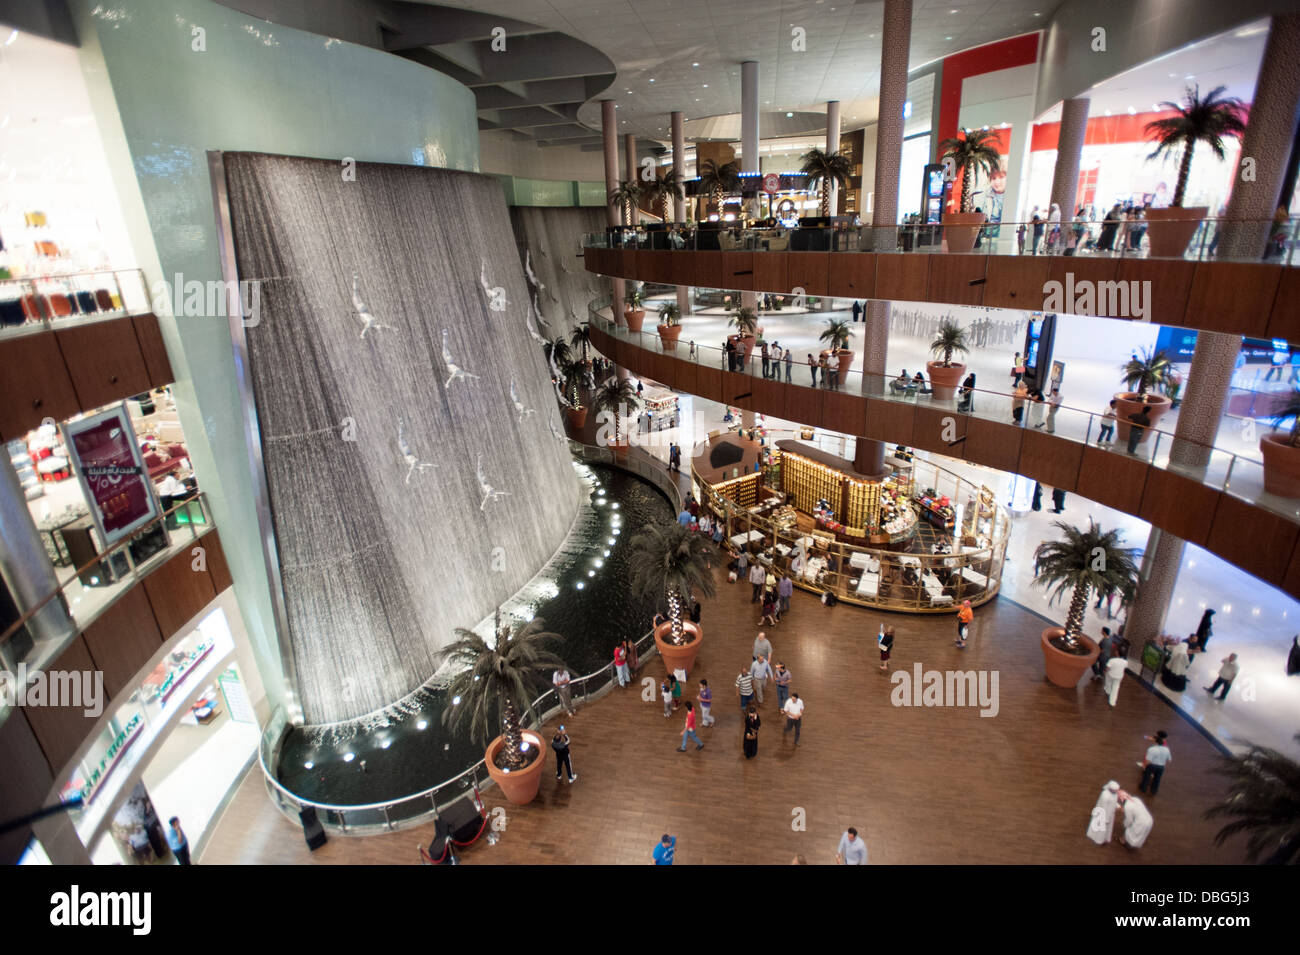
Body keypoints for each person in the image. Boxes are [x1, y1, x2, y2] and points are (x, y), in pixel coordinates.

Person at [1086, 782, 1120, 846]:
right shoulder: (1105, 795)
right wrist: (1106, 819)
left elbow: (1114, 801)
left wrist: (1117, 806)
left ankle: (1105, 838)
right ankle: (1098, 839)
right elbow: (1104, 808)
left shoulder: (1114, 794)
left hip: (1110, 814)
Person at [1139, 730, 1171, 795]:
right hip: (1161, 767)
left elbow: (1148, 760)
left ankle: (1143, 788)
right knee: (1157, 779)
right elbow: (1169, 760)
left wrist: (1144, 766)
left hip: (1152, 765)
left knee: (1146, 777)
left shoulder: (1152, 749)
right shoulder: (1167, 749)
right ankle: (1153, 791)